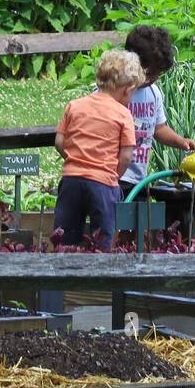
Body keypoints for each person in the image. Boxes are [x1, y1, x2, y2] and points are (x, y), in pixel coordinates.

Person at [53, 49, 144, 247]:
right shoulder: (123, 114)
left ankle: (63, 273)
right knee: (102, 238)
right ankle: (100, 274)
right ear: (127, 89)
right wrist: (113, 175)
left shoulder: (74, 106)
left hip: (71, 181)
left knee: (64, 237)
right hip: (102, 184)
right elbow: (127, 156)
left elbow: (59, 142)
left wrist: (75, 160)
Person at [119, 25, 195, 195]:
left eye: (157, 74)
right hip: (114, 175)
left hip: (138, 178)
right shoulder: (113, 90)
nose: (153, 79)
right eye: (149, 73)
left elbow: (159, 128)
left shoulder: (153, 93)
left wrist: (181, 142)